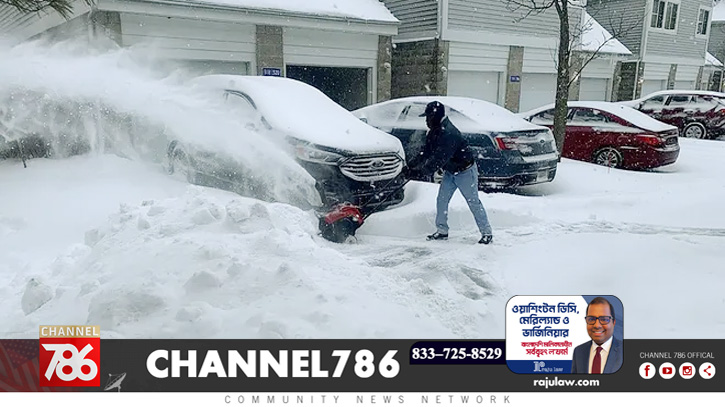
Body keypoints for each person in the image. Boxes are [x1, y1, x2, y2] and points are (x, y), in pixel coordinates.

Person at [404, 101, 493, 244]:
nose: (426, 121)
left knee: (473, 202)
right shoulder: (435, 130)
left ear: (435, 116)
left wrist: (419, 174)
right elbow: (426, 152)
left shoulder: (449, 134)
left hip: (465, 172)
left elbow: (438, 159)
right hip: (450, 172)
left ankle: (487, 233)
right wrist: (411, 166)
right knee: (442, 200)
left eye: (428, 117)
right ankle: (442, 231)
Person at [571, 297, 623, 374]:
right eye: (591, 319)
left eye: (604, 319)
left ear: (614, 322)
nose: (597, 325)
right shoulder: (578, 351)